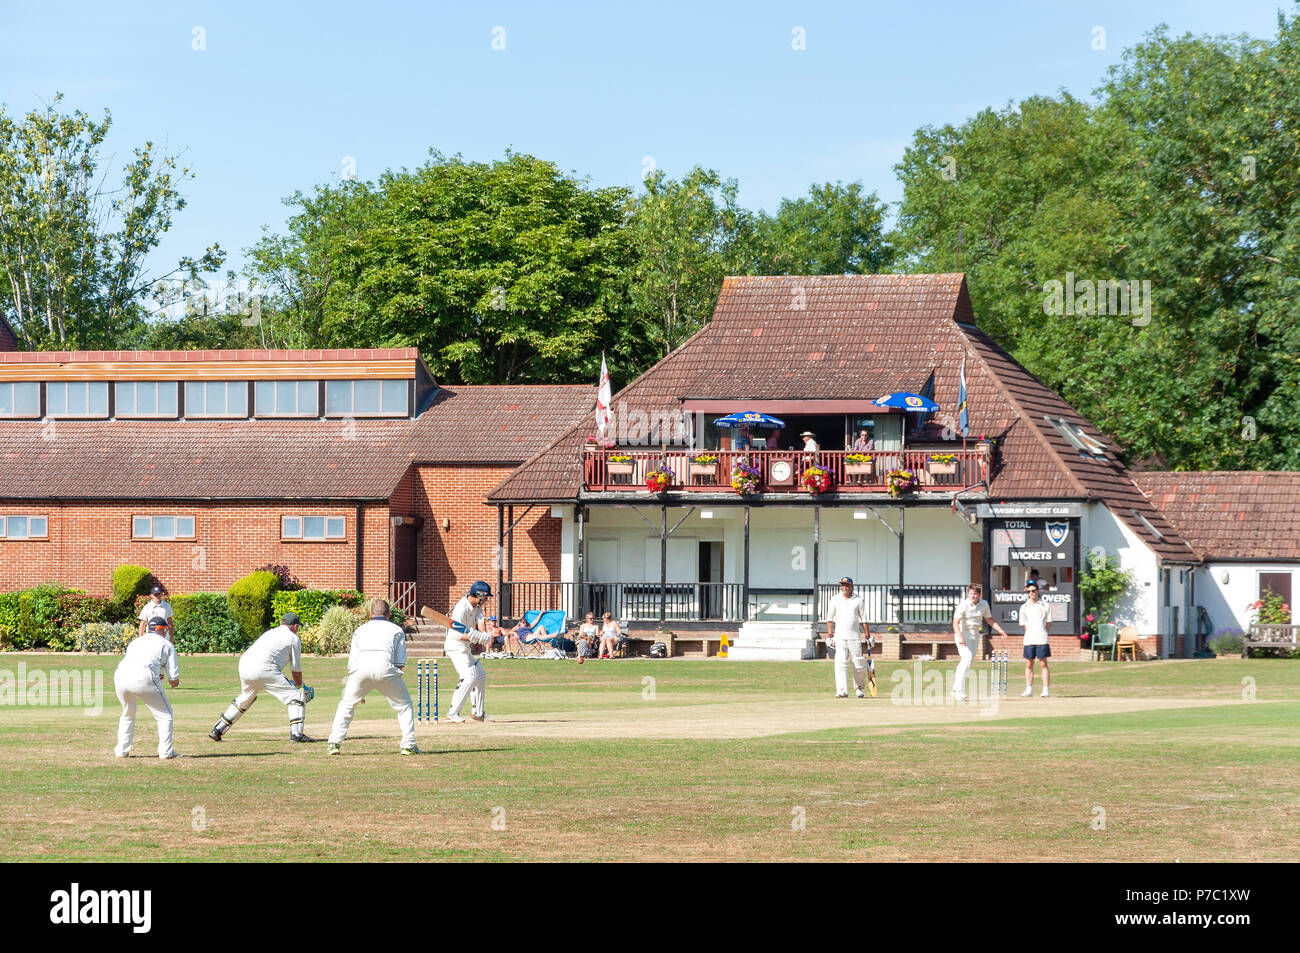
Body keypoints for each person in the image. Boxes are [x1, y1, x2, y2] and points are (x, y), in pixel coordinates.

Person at [327, 600, 421, 754]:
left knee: (347, 705)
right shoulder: (397, 630)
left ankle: (334, 743)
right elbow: (399, 664)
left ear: (370, 614)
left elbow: (352, 663)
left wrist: (360, 689)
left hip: (360, 670)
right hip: (385, 667)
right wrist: (389, 683)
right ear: (389, 615)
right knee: (404, 706)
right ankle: (408, 745)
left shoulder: (360, 629)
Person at [209, 611, 314, 743]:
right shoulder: (293, 638)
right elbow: (296, 669)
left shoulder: (270, 633)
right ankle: (296, 734)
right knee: (296, 697)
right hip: (264, 668)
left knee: (246, 698)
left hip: (245, 665)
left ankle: (218, 729)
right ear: (295, 626)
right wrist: (300, 688)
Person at [113, 616, 181, 759]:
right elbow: (174, 681)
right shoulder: (167, 644)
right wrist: (165, 679)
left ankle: (121, 751)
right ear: (163, 630)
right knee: (165, 715)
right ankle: (166, 752)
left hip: (121, 676)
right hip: (144, 677)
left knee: (127, 714)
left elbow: (136, 662)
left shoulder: (135, 642)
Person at [444, 581, 494, 722]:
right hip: (455, 645)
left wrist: (483, 635)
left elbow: (480, 622)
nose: (486, 601)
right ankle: (452, 713)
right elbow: (457, 634)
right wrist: (473, 637)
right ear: (479, 595)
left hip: (465, 646)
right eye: (486, 597)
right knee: (469, 676)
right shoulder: (461, 609)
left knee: (480, 675)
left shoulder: (477, 607)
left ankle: (478, 713)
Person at [951, 584, 1009, 702]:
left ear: (979, 594)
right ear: (968, 594)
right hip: (963, 635)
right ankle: (958, 690)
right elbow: (955, 622)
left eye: (976, 594)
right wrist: (960, 637)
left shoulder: (984, 604)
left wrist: (1001, 630)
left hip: (975, 636)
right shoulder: (964, 604)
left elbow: (989, 619)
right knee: (966, 658)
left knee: (968, 663)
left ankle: (955, 689)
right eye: (971, 593)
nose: (974, 596)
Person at [825, 577, 871, 698]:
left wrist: (868, 636)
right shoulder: (835, 599)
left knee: (858, 663)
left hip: (854, 636)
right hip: (840, 637)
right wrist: (830, 636)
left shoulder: (859, 600)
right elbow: (830, 619)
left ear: (851, 586)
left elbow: (864, 619)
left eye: (847, 585)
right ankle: (842, 690)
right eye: (842, 585)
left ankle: (859, 688)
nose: (844, 587)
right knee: (840, 663)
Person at [1019, 584, 1052, 697]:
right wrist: (1031, 632)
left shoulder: (1044, 605)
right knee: (1029, 663)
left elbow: (1048, 623)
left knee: (1043, 663)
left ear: (1037, 591)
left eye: (1033, 591)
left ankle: (1045, 689)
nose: (1031, 593)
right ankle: (1029, 689)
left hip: (1042, 639)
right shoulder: (1024, 607)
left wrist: (1042, 632)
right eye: (1029, 591)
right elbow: (1023, 625)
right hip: (1029, 639)